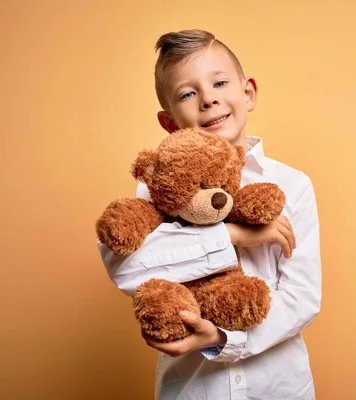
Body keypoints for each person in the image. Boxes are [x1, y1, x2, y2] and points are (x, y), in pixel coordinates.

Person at [98, 29, 322, 400]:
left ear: (247, 93)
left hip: (278, 388)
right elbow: (128, 270)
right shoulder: (156, 189)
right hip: (193, 389)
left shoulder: (292, 186)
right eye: (188, 93)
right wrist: (232, 237)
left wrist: (222, 339)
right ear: (169, 123)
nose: (208, 99)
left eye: (219, 82)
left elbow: (302, 297)